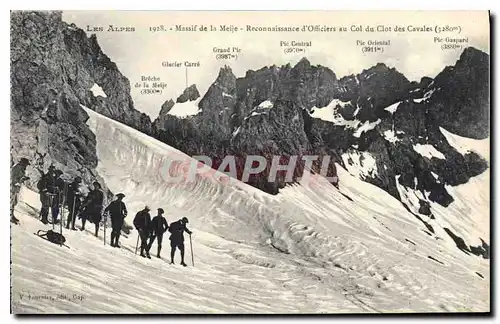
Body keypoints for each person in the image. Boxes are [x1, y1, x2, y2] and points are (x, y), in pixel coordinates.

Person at [10, 158, 30, 224]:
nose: (26, 166)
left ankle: (11, 215)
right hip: (12, 188)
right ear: (22, 163)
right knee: (11, 202)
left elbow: (19, 177)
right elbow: (13, 178)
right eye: (26, 165)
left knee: (14, 202)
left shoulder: (20, 169)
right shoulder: (17, 168)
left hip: (16, 188)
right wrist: (19, 181)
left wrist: (23, 178)